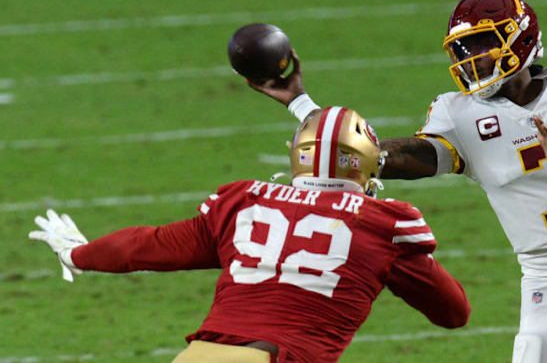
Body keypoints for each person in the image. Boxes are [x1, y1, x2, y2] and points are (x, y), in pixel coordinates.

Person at [247, 0, 547, 363]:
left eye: (482, 46)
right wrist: (302, 106)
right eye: (463, 49)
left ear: (519, 41)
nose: (470, 60)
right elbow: (378, 153)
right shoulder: (459, 114)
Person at [29, 107, 471, 363]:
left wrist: (78, 254)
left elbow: (149, 245)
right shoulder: (385, 225)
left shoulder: (244, 202)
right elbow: (454, 313)